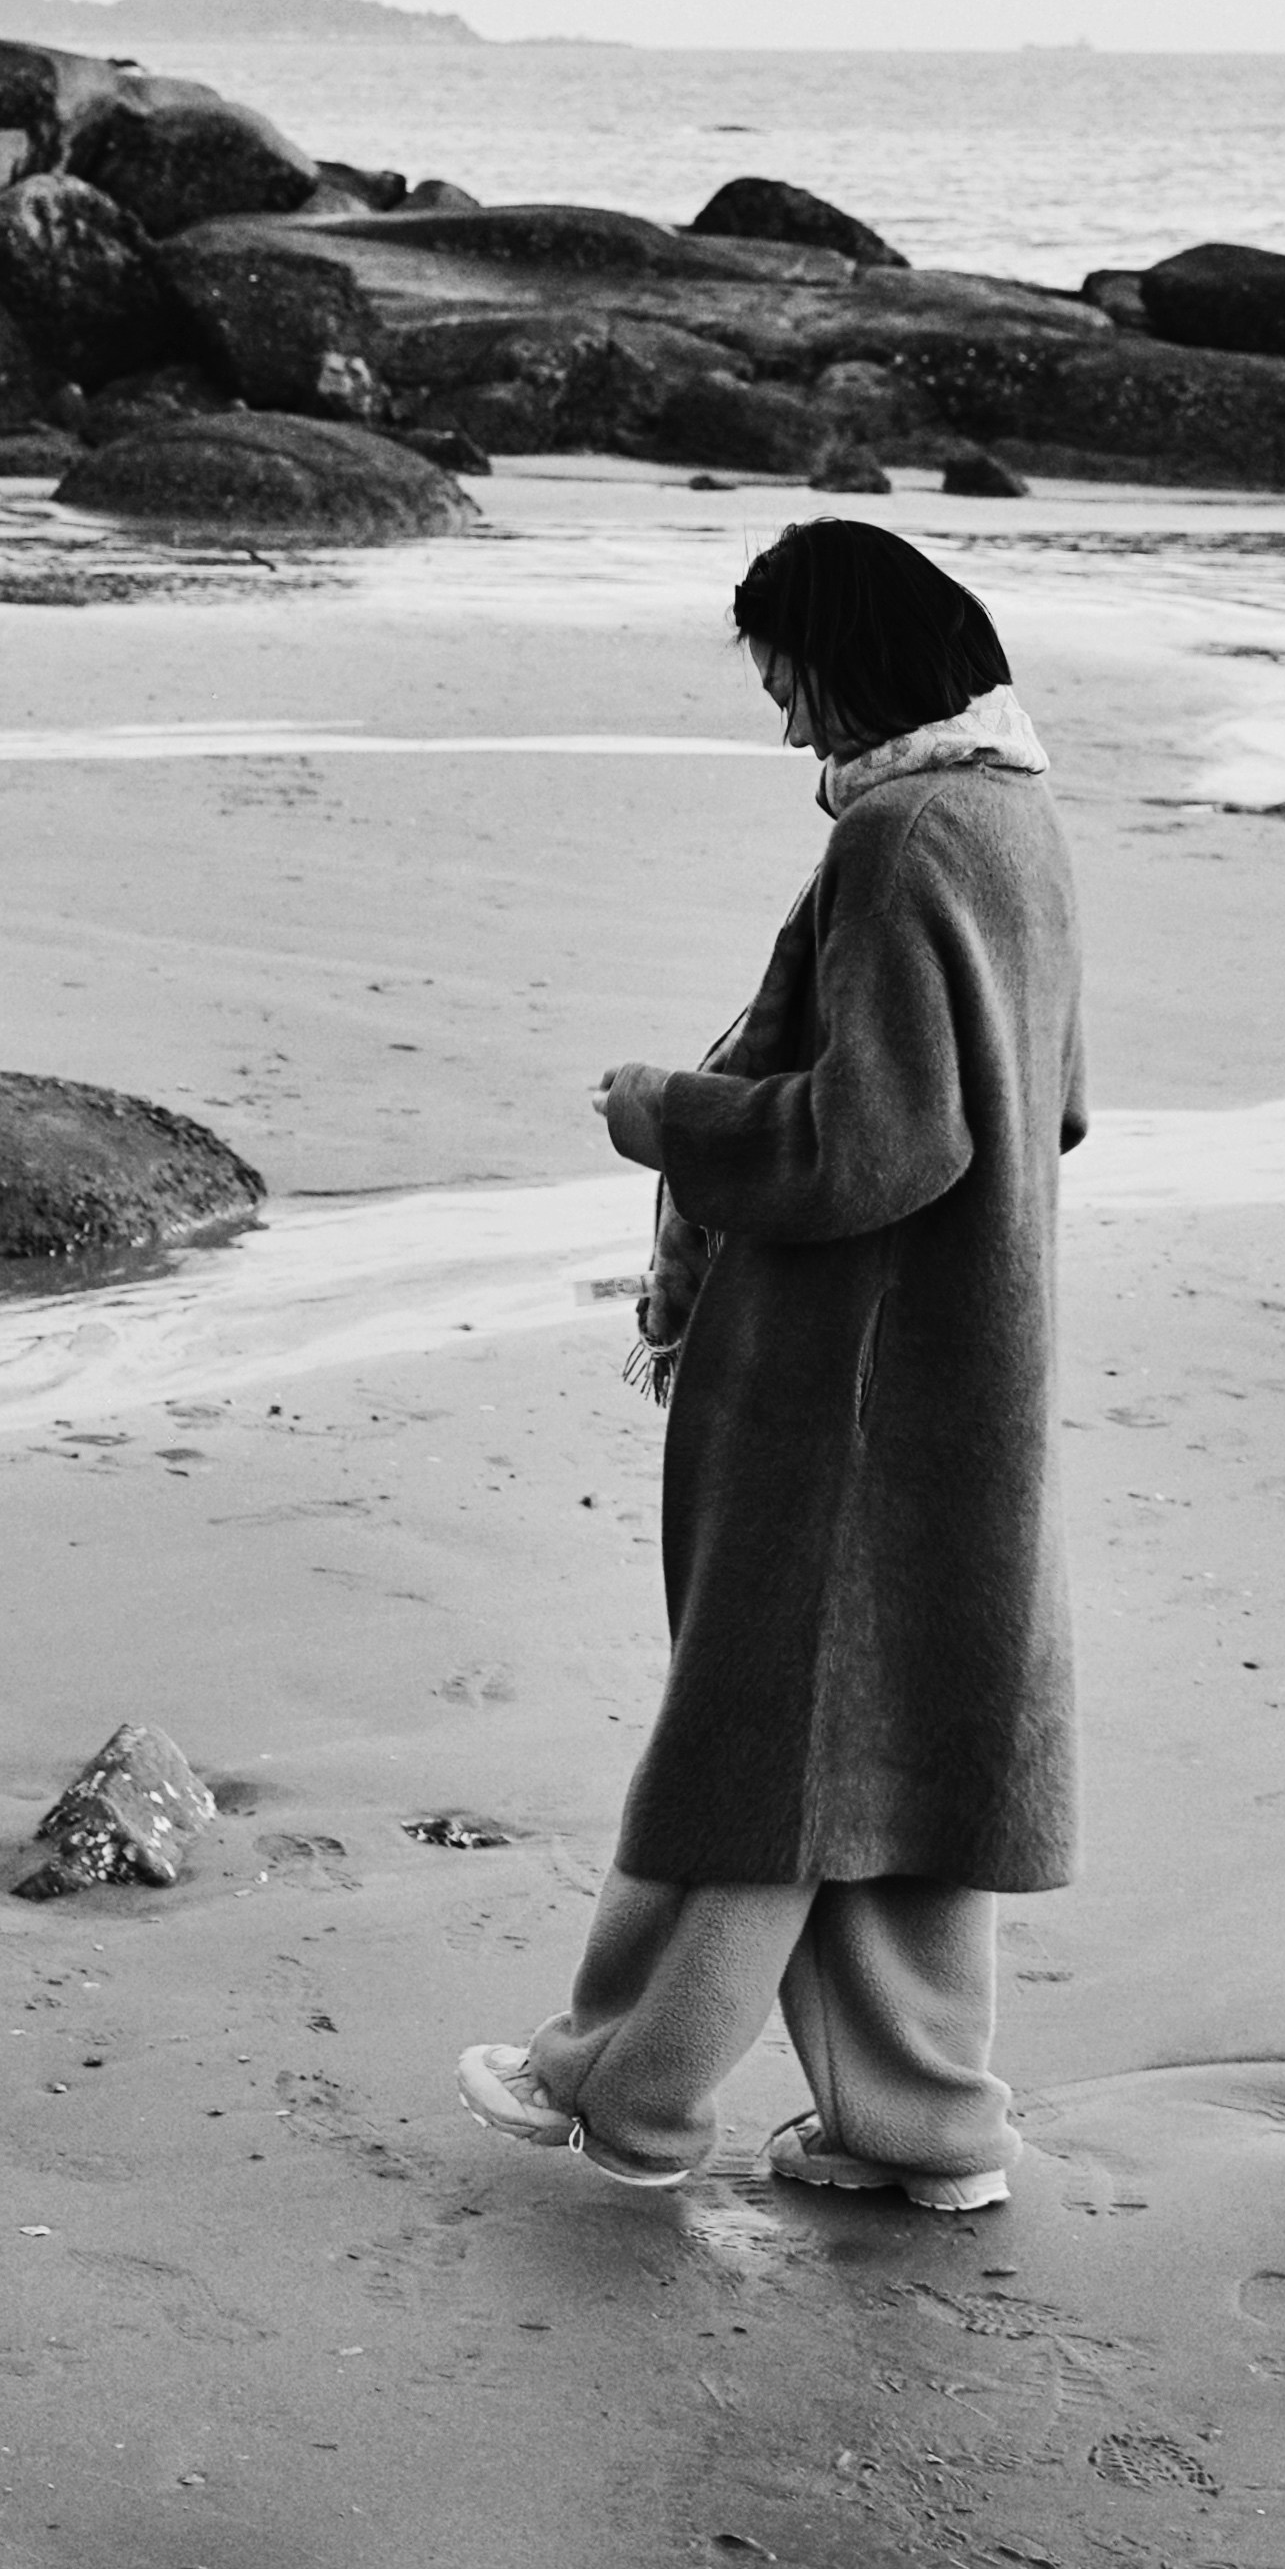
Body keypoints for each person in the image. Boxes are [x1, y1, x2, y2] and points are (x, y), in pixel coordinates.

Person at [458, 516, 1088, 2211]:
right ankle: (926, 2123)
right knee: (889, 1756)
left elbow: (880, 1138)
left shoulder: (899, 835)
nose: (785, 720)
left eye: (788, 678)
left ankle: (620, 2093)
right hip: (966, 1356)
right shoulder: (1015, 820)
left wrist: (671, 1116)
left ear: (851, 657)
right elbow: (1049, 1107)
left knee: (772, 1746)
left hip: (849, 1376)